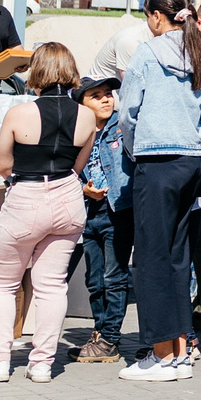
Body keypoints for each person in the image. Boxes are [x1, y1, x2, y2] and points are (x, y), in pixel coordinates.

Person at [0, 41, 97, 383]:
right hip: (68, 197)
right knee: (52, 286)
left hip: (26, 196)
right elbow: (79, 165)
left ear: (36, 72)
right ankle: (42, 364)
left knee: (0, 284)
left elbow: (4, 165)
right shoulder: (87, 116)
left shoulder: (19, 113)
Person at [113, 0, 201, 383]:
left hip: (155, 159)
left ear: (156, 17)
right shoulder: (200, 54)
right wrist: (198, 155)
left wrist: (135, 150)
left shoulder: (147, 53)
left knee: (152, 258)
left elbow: (128, 113)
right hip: (190, 159)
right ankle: (180, 350)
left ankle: (159, 355)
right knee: (177, 256)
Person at [76, 63, 135, 365]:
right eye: (96, 96)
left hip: (117, 210)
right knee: (94, 279)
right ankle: (99, 333)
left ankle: (110, 336)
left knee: (115, 276)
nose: (106, 99)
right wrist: (82, 189)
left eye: (108, 94)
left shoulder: (122, 126)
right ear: (82, 104)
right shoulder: (80, 132)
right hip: (89, 211)